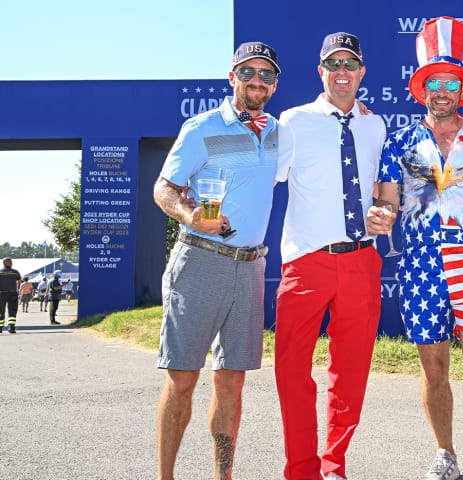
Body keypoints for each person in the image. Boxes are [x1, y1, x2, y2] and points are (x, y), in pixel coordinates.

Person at [368, 17, 463, 480]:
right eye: (433, 81)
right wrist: (380, 216)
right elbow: (385, 204)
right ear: (421, 88)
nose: (441, 90)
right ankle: (445, 454)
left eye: (450, 81)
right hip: (418, 261)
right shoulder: (399, 141)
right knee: (434, 368)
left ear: (462, 89)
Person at [152, 41, 281, 480]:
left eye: (265, 75)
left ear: (274, 83)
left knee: (231, 381)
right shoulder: (203, 126)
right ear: (232, 78)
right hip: (201, 261)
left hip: (250, 267)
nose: (256, 81)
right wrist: (191, 216)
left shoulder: (279, 132)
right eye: (248, 73)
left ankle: (222, 477)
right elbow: (165, 188)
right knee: (183, 378)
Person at [273, 32, 385, 480]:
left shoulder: (376, 126)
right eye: (333, 65)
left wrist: (387, 210)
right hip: (306, 261)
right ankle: (302, 470)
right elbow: (264, 180)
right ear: (321, 71)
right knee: (292, 372)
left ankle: (335, 465)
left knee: (351, 372)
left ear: (361, 73)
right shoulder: (292, 121)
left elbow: (385, 191)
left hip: (361, 260)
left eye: (350, 64)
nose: (342, 72)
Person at [0, 257, 22, 334]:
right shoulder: (15, 272)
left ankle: (0, 327)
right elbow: (19, 281)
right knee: (12, 311)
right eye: (10, 262)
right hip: (12, 293)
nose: (12, 263)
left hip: (1, 293)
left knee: (0, 311)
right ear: (7, 263)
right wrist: (15, 286)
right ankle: (11, 327)